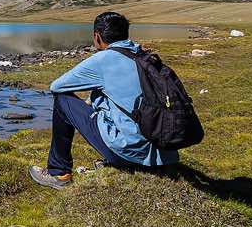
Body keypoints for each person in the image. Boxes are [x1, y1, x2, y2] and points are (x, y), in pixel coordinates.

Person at [29, 11, 179, 189]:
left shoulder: (103, 59)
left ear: (97, 36)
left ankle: (59, 173)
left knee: (62, 100)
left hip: (130, 152)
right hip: (164, 152)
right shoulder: (144, 56)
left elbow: (56, 86)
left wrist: (90, 100)